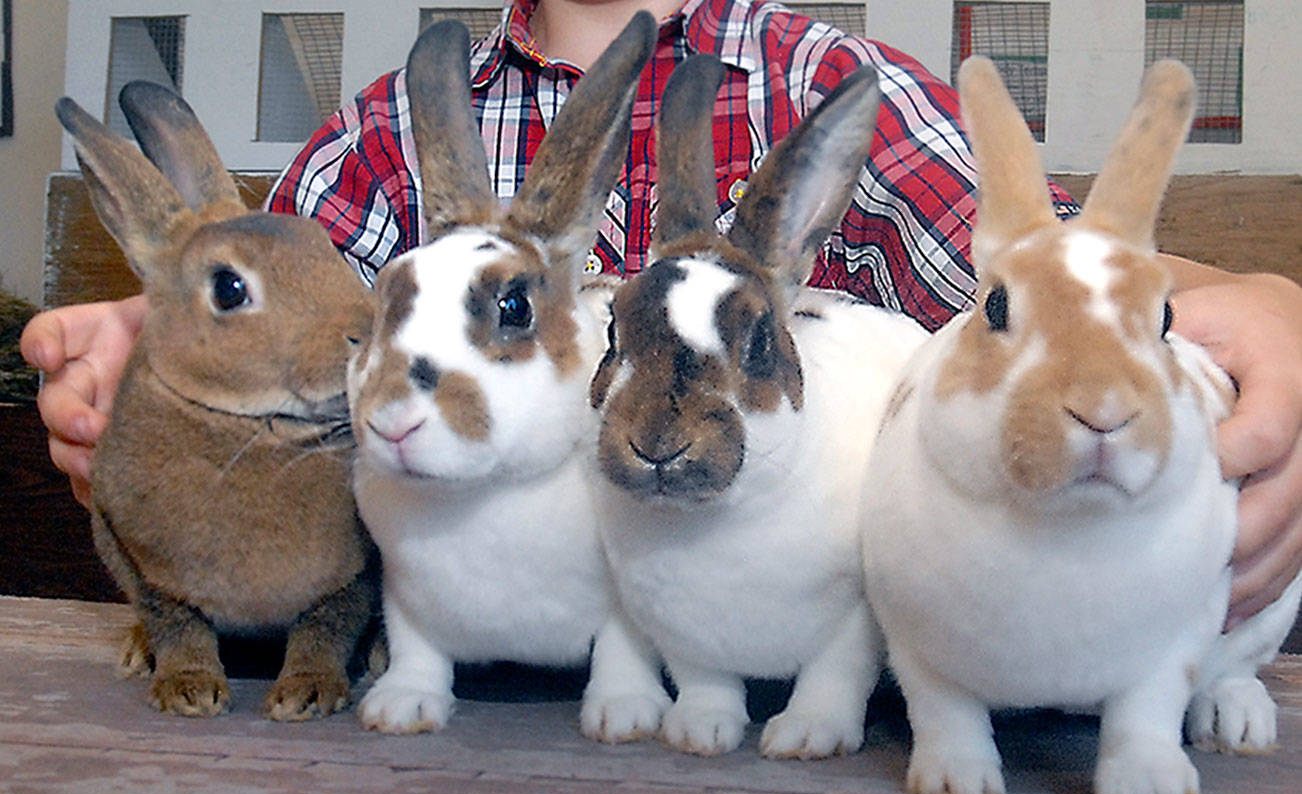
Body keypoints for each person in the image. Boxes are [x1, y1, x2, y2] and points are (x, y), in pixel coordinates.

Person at [21, 0, 1302, 627]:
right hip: (492, 692)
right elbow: (264, 314)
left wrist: (1254, 304)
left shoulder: (817, 78)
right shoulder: (392, 134)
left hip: (778, 663)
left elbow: (1056, 273)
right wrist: (155, 360)